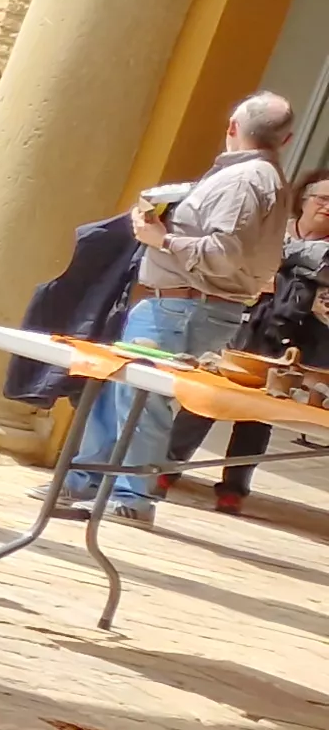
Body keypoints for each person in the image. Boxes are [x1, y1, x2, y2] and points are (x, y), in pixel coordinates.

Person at [55, 91, 301, 523]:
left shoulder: (245, 180)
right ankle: (85, 480)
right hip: (188, 304)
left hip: (187, 305)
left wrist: (161, 239)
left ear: (232, 128)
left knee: (142, 401)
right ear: (286, 139)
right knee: (119, 391)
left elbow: (224, 251)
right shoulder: (259, 177)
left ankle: (131, 498)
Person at [161, 167, 329, 515]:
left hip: (294, 341)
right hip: (242, 327)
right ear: (304, 199)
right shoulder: (272, 234)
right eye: (322, 198)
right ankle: (167, 467)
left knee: (258, 414)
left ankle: (234, 489)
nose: (327, 207)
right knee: (208, 397)